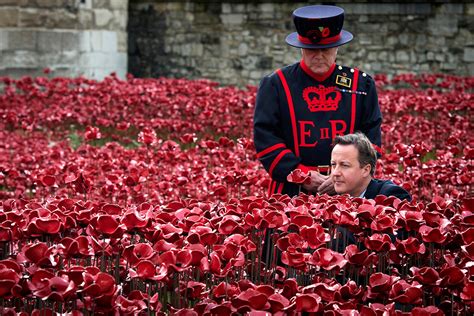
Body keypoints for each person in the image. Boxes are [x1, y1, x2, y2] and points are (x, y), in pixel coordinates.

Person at [254, 4, 383, 197]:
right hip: (290, 190)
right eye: (311, 49)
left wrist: (342, 176)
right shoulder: (276, 84)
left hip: (349, 192)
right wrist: (302, 175)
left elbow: (372, 141)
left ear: (337, 47)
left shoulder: (361, 84)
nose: (319, 56)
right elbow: (266, 139)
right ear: (300, 48)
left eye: (327, 49)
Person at [331, 132, 411, 201]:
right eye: (333, 164)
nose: (335, 172)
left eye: (345, 165)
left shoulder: (391, 196)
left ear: (366, 170)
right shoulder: (329, 198)